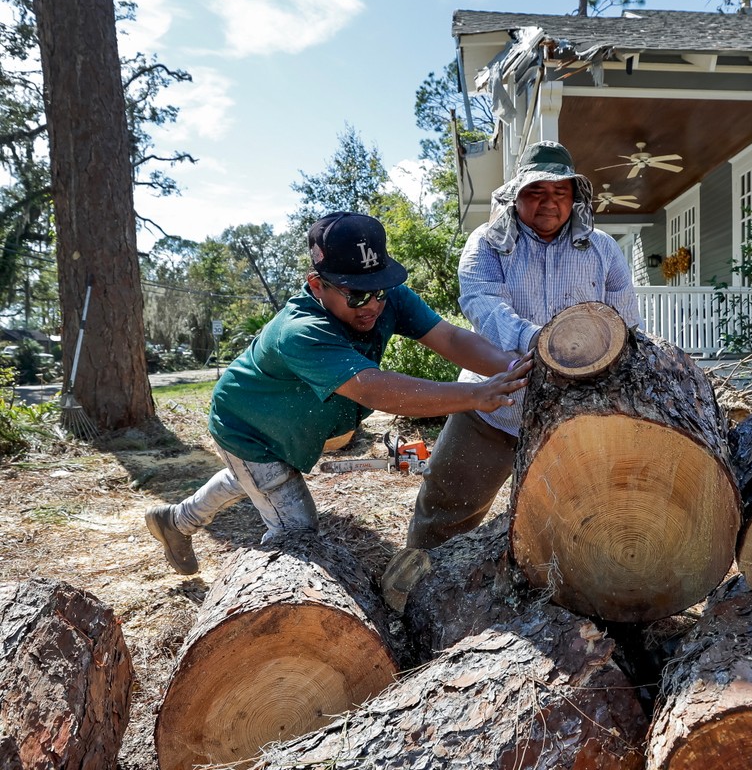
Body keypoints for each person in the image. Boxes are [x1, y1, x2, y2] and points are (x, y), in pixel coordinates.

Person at [145, 212, 530, 574]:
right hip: (248, 429)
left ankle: (176, 521)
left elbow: (448, 336)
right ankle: (273, 598)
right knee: (295, 531)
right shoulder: (301, 331)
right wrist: (476, 395)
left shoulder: (382, 295)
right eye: (357, 295)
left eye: (379, 291)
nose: (373, 305)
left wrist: (512, 368)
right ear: (317, 284)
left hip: (290, 425)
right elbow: (375, 390)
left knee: (246, 479)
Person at [406, 140, 642, 549]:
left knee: (583, 521)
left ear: (575, 198)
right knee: (446, 507)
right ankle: (414, 585)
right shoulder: (488, 242)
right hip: (493, 405)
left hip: (578, 414)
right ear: (516, 195)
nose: (548, 202)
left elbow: (627, 321)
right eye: (536, 191)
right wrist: (538, 340)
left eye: (559, 192)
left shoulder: (602, 249)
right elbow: (483, 305)